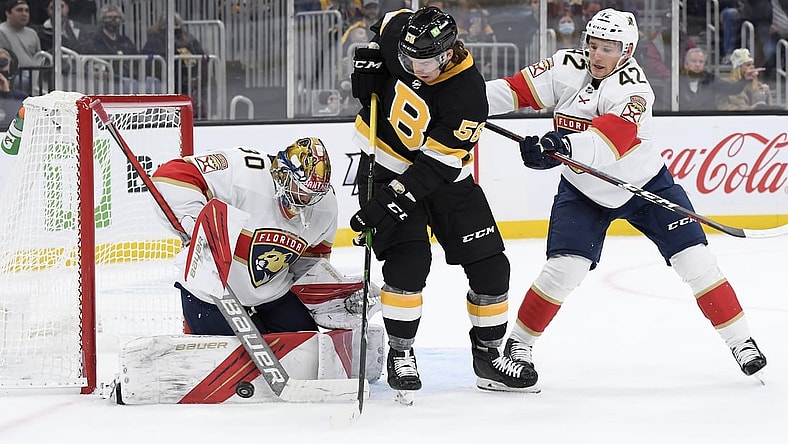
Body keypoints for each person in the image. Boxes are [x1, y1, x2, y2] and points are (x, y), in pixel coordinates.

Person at [486, 9, 767, 382]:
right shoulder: (565, 66)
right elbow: (511, 90)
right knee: (563, 270)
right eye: (593, 45)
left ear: (627, 51)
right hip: (583, 191)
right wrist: (462, 101)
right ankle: (518, 345)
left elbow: (608, 143)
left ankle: (741, 341)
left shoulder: (635, 90)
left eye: (608, 48)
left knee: (696, 262)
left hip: (647, 186)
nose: (597, 55)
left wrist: (560, 147)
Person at [348, 5, 538, 399]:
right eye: (408, 60)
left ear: (448, 53)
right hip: (384, 163)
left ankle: (488, 357)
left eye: (425, 62)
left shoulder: (468, 96)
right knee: (409, 263)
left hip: (443, 177)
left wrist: (386, 204)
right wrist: (370, 56)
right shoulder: (403, 32)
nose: (416, 68)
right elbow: (385, 22)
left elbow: (434, 170)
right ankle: (401, 353)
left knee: (491, 266)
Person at [151, 137, 376, 336]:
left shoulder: (325, 206)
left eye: (312, 194)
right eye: (300, 188)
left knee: (309, 350)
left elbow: (310, 262)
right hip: (212, 296)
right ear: (283, 173)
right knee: (232, 367)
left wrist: (327, 296)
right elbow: (171, 175)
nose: (305, 199)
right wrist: (197, 226)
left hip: (274, 296)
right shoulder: (243, 170)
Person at [141, 13, 207, 116]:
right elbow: (156, 64)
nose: (174, 26)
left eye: (176, 23)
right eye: (170, 23)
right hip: (170, 80)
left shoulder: (189, 39)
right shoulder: (156, 39)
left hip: (191, 79)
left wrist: (198, 77)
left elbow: (200, 55)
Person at [678, 47, 750, 111]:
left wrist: (745, 79)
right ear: (686, 64)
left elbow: (731, 89)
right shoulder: (677, 82)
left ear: (704, 65)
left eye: (701, 62)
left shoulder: (710, 79)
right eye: (694, 61)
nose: (697, 64)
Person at [0, 0, 41, 92]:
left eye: (27, 10)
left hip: (35, 76)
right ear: (8, 13)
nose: (24, 14)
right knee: (22, 81)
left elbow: (39, 57)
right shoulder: (1, 32)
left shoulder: (32, 33)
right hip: (13, 76)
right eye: (19, 10)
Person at [0, 47, 27, 127]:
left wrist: (6, 93)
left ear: (11, 68)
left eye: (3, 63)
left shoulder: (21, 98)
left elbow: (14, 122)